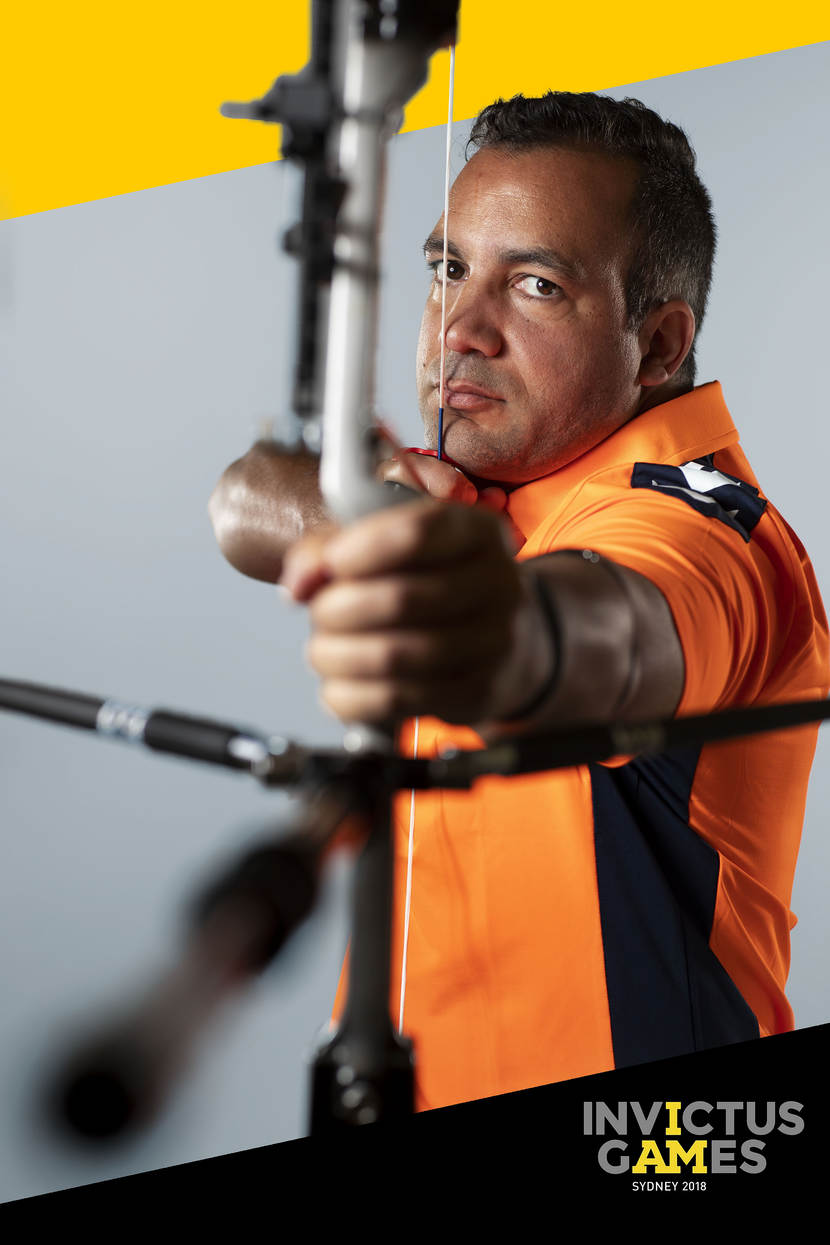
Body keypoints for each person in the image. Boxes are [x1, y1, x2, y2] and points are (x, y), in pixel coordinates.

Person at [209, 92, 829, 1110]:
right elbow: (244, 499)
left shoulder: (707, 527)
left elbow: (606, 637)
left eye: (535, 285)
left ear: (659, 345)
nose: (461, 328)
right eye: (448, 269)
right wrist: (360, 519)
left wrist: (476, 621)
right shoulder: (469, 472)